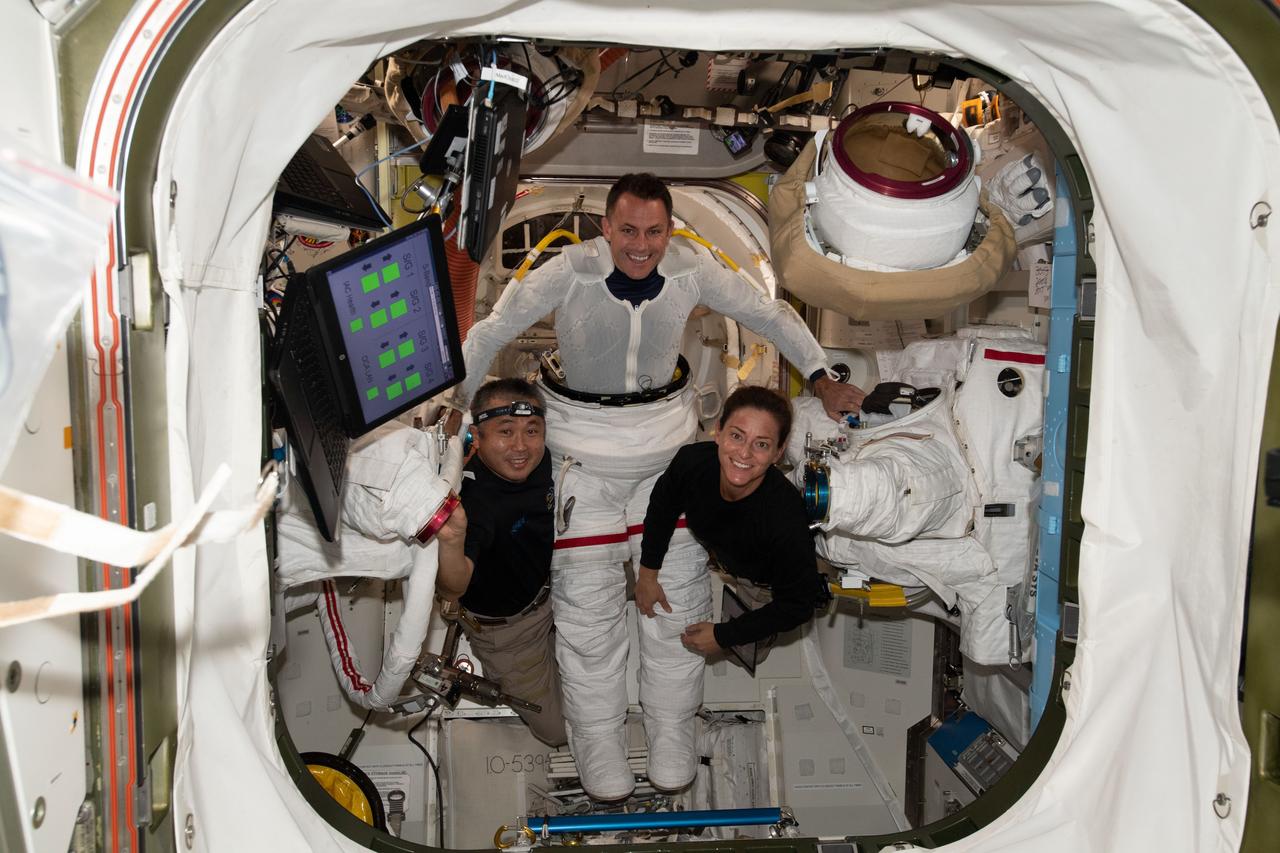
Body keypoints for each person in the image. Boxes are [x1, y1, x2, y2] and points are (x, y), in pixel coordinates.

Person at [457, 173, 863, 800]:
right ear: (606, 228)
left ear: (670, 228)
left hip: (665, 456)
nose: (640, 245)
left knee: (678, 606)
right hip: (582, 457)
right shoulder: (568, 270)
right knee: (589, 620)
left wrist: (824, 376)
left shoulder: (694, 270)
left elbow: (768, 313)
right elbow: (491, 330)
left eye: (653, 231)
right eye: (627, 231)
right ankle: (599, 744)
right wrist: (452, 416)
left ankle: (673, 735)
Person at [637, 386, 824, 662]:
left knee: (744, 655)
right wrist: (647, 574)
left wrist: (723, 635)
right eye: (737, 436)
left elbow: (799, 605)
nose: (744, 453)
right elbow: (662, 507)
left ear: (777, 453)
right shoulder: (692, 463)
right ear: (719, 431)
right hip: (720, 544)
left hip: (762, 577)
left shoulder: (783, 520)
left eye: (761, 444)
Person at [435, 378, 567, 747]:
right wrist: (452, 537)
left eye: (532, 431)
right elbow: (453, 585)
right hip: (510, 632)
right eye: (505, 432)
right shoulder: (476, 504)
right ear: (476, 436)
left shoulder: (542, 459)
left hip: (554, 582)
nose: (520, 446)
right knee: (558, 732)